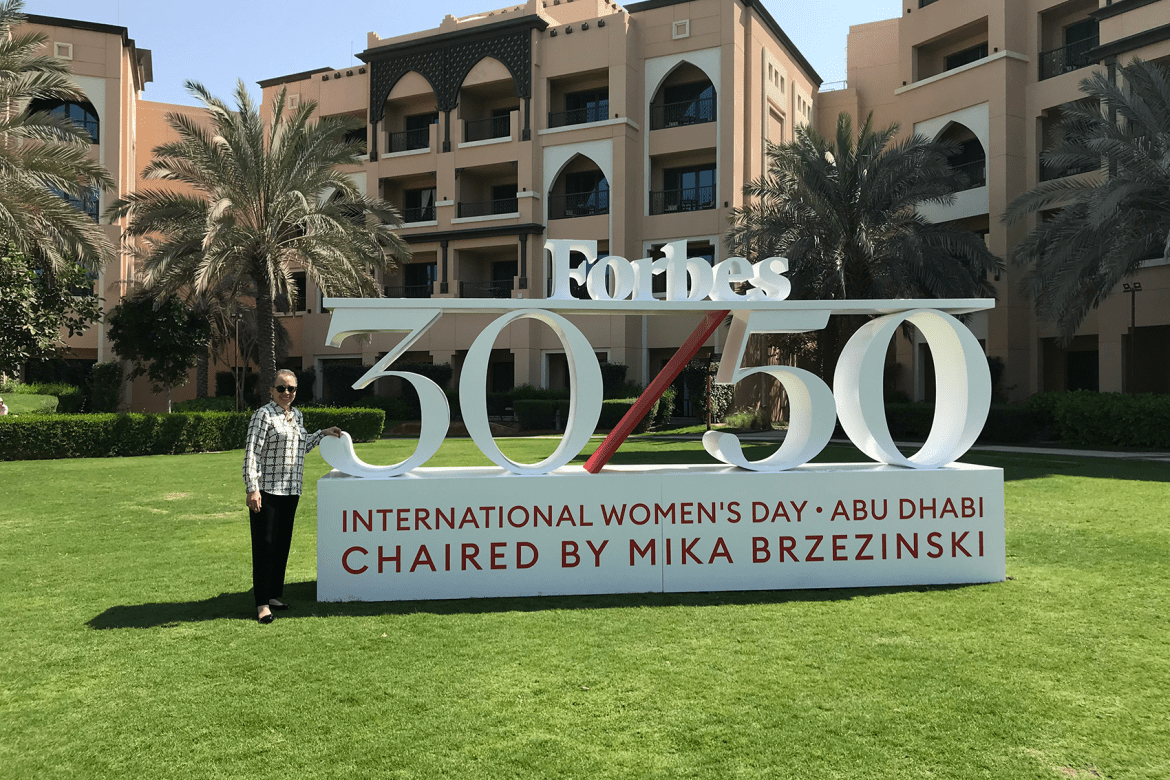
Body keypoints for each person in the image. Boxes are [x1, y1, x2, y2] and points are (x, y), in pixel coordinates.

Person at [243, 369, 343, 624]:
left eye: (292, 389)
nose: (287, 393)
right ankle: (262, 604)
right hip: (267, 491)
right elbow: (252, 453)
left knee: (281, 545)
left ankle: (275, 594)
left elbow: (301, 447)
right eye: (282, 388)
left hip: (291, 490)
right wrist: (252, 488)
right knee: (264, 547)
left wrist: (322, 433)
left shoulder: (296, 416)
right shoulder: (263, 415)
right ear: (271, 390)